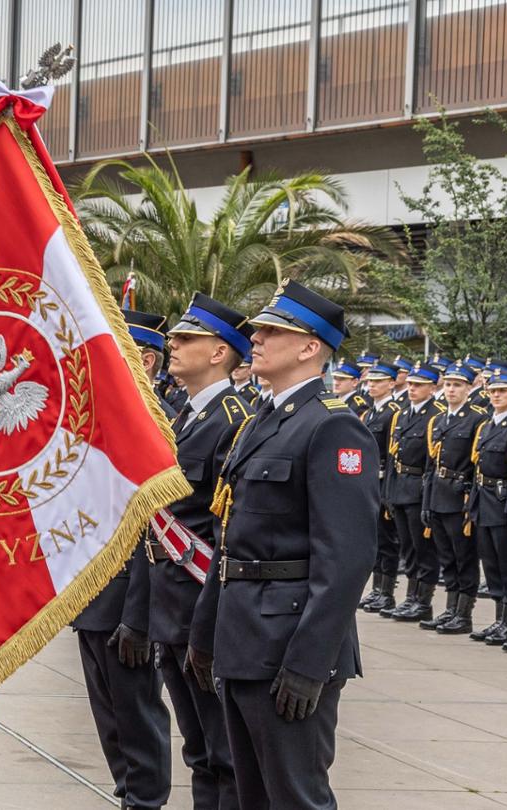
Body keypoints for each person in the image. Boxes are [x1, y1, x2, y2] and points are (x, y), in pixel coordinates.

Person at [189, 281, 377, 810]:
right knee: (253, 796)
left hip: (288, 644)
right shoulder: (261, 423)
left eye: (274, 330)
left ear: (309, 346)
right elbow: (230, 545)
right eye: (259, 328)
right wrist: (205, 633)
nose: (257, 337)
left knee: (295, 798)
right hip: (243, 637)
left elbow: (346, 561)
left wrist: (309, 663)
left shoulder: (333, 428)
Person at [155, 294, 254, 810]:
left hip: (204, 607)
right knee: (198, 750)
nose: (173, 345)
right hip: (171, 607)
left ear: (219, 352)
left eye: (187, 339)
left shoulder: (232, 418)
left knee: (225, 753)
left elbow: (225, 527)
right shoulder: (186, 418)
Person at [72, 309, 171, 810]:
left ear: (147, 360)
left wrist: (138, 612)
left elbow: (153, 530)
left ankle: (146, 797)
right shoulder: (102, 415)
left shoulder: (156, 423)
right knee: (108, 710)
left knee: (135, 708)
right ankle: (128, 789)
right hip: (92, 591)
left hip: (129, 593)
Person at [421, 364, 487, 635]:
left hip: (460, 497)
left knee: (464, 557)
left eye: (457, 385)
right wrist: (426, 501)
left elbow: (477, 464)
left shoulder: (477, 419)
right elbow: (430, 466)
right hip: (438, 494)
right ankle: (450, 608)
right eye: (447, 384)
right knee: (446, 556)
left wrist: (470, 501)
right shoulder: (437, 420)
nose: (451, 389)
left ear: (469, 389)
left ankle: (464, 613)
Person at [382, 364, 444, 623]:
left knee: (423, 549)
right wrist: (388, 493)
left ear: (432, 387)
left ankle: (423, 601)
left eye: (419, 385)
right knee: (408, 548)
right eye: (411, 385)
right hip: (400, 488)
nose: (412, 389)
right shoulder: (402, 415)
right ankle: (411, 596)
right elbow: (392, 455)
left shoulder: (435, 415)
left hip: (419, 489)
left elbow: (432, 462)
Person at [471, 371, 507, 645]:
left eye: (503, 391)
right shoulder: (489, 424)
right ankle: (500, 621)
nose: (496, 395)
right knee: (492, 566)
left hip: (503, 504)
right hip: (485, 501)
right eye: (493, 391)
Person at [359, 362, 406, 613]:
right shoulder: (371, 413)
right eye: (370, 381)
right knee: (375, 538)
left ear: (391, 383)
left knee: (387, 540)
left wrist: (388, 489)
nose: (372, 385)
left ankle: (386, 592)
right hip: (370, 481)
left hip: (384, 481)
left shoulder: (393, 412)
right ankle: (377, 590)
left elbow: (392, 453)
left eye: (378, 382)